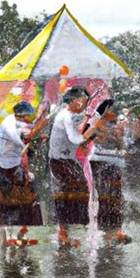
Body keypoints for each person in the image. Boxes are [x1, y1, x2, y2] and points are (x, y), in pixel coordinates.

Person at [49, 86, 92, 246]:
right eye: (83, 102)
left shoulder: (71, 114)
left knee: (70, 193)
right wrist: (89, 129)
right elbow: (74, 139)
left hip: (65, 159)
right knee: (69, 193)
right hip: (60, 161)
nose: (85, 106)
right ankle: (64, 232)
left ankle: (65, 231)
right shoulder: (65, 116)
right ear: (74, 101)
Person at [0, 101, 43, 246]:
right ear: (22, 116)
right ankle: (6, 233)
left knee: (30, 197)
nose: (30, 119)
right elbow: (19, 142)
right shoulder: (8, 124)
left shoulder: (20, 123)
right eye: (29, 116)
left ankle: (22, 232)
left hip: (16, 165)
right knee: (9, 200)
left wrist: (36, 136)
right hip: (4, 166)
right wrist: (30, 141)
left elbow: (29, 131)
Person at [89, 99, 131, 244]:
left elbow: (121, 142)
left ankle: (111, 231)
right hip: (103, 160)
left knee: (112, 197)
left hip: (110, 160)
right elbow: (112, 140)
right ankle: (110, 232)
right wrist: (113, 133)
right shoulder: (96, 121)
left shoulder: (107, 122)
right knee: (109, 197)